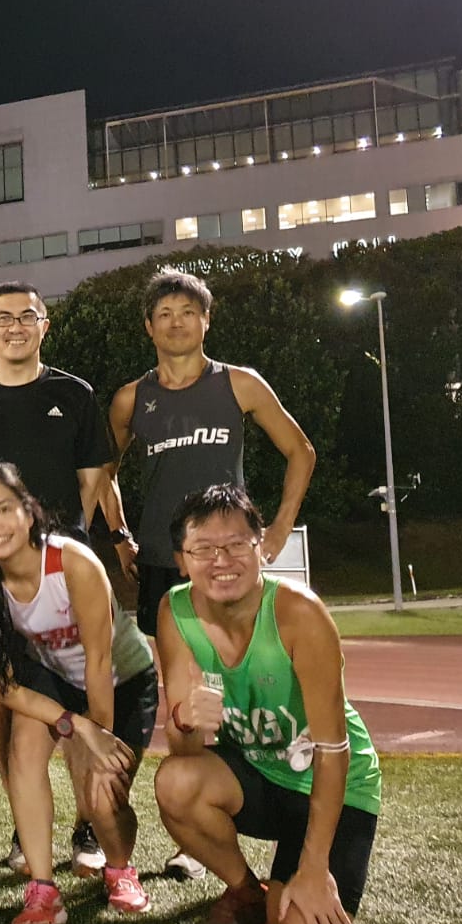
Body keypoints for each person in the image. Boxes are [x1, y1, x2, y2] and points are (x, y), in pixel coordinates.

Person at [107, 267, 316, 881]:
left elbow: (300, 451)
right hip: (163, 564)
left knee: (253, 683)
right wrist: (119, 533)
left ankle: (287, 794)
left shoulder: (239, 384)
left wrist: (276, 530)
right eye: (164, 314)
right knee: (185, 696)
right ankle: (194, 835)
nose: (176, 323)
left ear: (206, 320)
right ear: (149, 326)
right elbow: (100, 472)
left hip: (231, 566)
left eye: (187, 312)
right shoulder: (131, 399)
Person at [0, 280, 128, 877]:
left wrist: (69, 542)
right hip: (0, 577)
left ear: (44, 326)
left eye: (27, 316)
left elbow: (93, 480)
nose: (15, 326)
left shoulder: (73, 394)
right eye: (3, 318)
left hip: (63, 572)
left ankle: (88, 826)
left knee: (83, 693)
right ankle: (29, 830)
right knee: (10, 703)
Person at [154, 484, 381, 924]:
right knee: (175, 782)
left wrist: (314, 868)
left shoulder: (300, 614)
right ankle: (246, 892)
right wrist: (184, 718)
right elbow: (182, 749)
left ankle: (297, 875)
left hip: (331, 785)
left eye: (237, 544)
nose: (222, 560)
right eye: (203, 548)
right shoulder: (175, 612)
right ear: (181, 560)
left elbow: (333, 750)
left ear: (262, 547)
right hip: (258, 775)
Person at [0, 463, 153, 924]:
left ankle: (120, 868)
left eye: (3, 509)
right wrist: (76, 724)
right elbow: (6, 686)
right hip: (57, 679)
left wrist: (97, 738)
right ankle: (43, 889)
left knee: (101, 794)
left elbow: (99, 661)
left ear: (29, 513)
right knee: (24, 749)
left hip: (120, 678)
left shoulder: (72, 562)